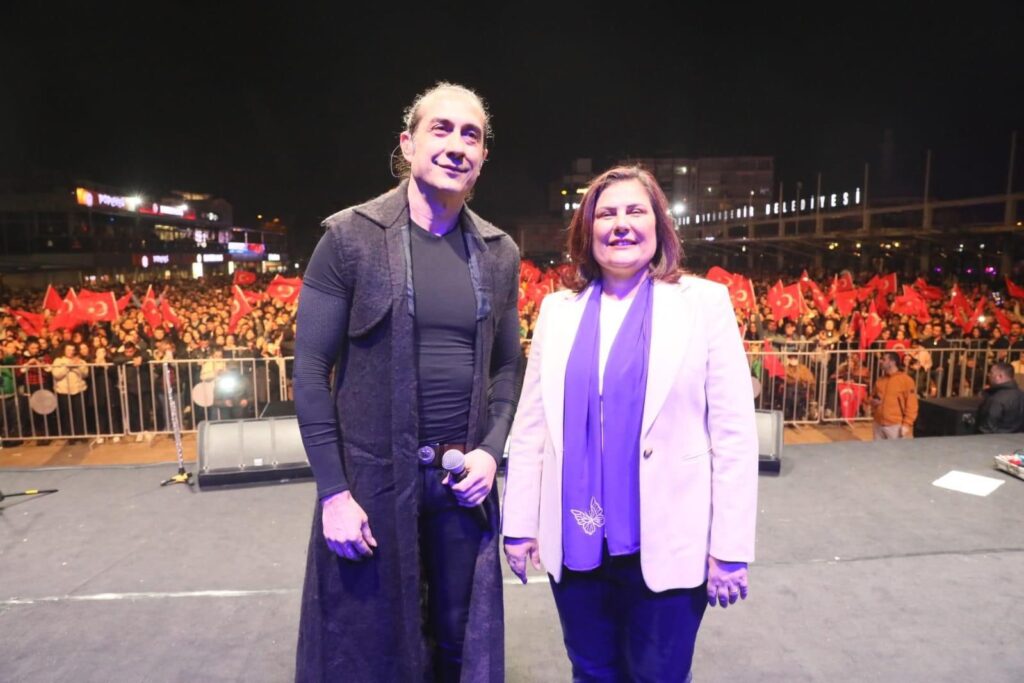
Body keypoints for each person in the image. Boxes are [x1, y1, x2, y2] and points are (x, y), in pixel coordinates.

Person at [293, 82, 520, 683]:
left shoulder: (499, 253)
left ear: (482, 157)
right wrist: (333, 494)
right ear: (408, 143)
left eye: (471, 135)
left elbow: (507, 366)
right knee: (369, 647)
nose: (456, 145)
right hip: (371, 484)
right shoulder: (349, 238)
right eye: (440, 129)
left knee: (458, 643)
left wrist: (491, 452)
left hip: (460, 485)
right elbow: (310, 372)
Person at [501, 166, 758, 682]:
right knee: (590, 672)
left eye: (635, 211)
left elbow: (733, 433)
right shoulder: (558, 311)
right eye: (606, 213)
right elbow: (531, 427)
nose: (620, 224)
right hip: (576, 541)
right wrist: (520, 523)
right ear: (587, 230)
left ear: (659, 225)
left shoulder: (703, 303)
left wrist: (730, 549)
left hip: (670, 539)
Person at [869, 351, 919, 439]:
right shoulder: (880, 380)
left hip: (895, 426)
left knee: (896, 449)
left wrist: (907, 424)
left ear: (892, 362)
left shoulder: (906, 380)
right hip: (878, 423)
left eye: (883, 359)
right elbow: (871, 397)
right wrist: (872, 402)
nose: (880, 361)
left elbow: (912, 405)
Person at [975, 362, 1024, 433]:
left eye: (991, 373)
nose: (988, 375)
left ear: (1000, 376)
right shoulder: (1021, 394)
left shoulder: (996, 398)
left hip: (996, 438)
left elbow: (987, 428)